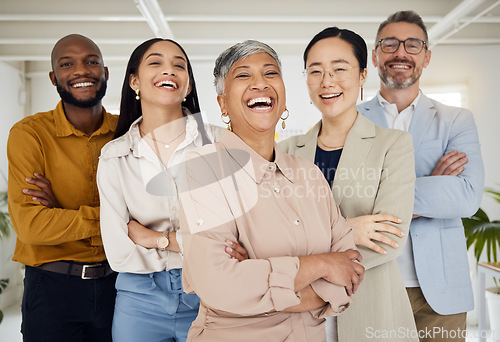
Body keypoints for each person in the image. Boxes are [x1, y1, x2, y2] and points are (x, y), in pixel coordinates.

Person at [178, 40, 365, 342]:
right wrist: (321, 265)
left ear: (284, 97)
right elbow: (219, 285)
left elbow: (350, 271)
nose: (260, 83)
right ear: (223, 104)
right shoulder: (204, 169)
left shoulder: (310, 175)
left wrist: (256, 285)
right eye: (243, 75)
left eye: (270, 73)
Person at [270, 27, 417, 342]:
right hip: (300, 319)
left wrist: (307, 260)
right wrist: (349, 228)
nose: (327, 81)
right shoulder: (285, 151)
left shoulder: (393, 144)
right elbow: (272, 238)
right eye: (316, 71)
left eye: (339, 69)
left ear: (363, 75)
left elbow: (390, 239)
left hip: (372, 311)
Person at [358, 10, 484, 342]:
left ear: (426, 57)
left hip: (441, 295)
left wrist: (384, 195)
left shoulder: (456, 120)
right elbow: (344, 200)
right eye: (390, 43)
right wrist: (435, 182)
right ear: (375, 55)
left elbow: (467, 196)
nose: (401, 52)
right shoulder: (350, 120)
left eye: (413, 45)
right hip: (370, 284)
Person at [96, 38, 222, 342]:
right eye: (156, 62)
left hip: (213, 293)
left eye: (179, 65)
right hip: (139, 300)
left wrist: (154, 239)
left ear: (188, 86)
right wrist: (190, 246)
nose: (169, 70)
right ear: (135, 82)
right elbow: (119, 253)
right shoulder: (114, 156)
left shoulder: (219, 145)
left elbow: (228, 242)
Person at [7, 34, 118, 342]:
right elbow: (31, 228)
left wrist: (60, 213)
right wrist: (117, 217)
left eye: (92, 61)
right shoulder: (29, 135)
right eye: (67, 64)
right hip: (52, 289)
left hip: (119, 285)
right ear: (55, 77)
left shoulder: (127, 134)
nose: (81, 70)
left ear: (105, 73)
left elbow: (156, 212)